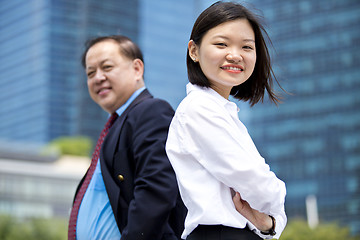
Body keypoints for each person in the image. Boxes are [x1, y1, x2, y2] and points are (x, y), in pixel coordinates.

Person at [165, 1, 287, 240]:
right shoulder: (198, 109)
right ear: (194, 51)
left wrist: (269, 224)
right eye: (221, 44)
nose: (235, 55)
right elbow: (255, 179)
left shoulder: (224, 113)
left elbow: (259, 191)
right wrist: (278, 198)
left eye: (247, 47)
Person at [68, 35, 186, 240]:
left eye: (107, 67)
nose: (98, 78)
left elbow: (155, 191)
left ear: (137, 69)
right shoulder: (115, 127)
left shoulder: (151, 111)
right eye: (90, 72)